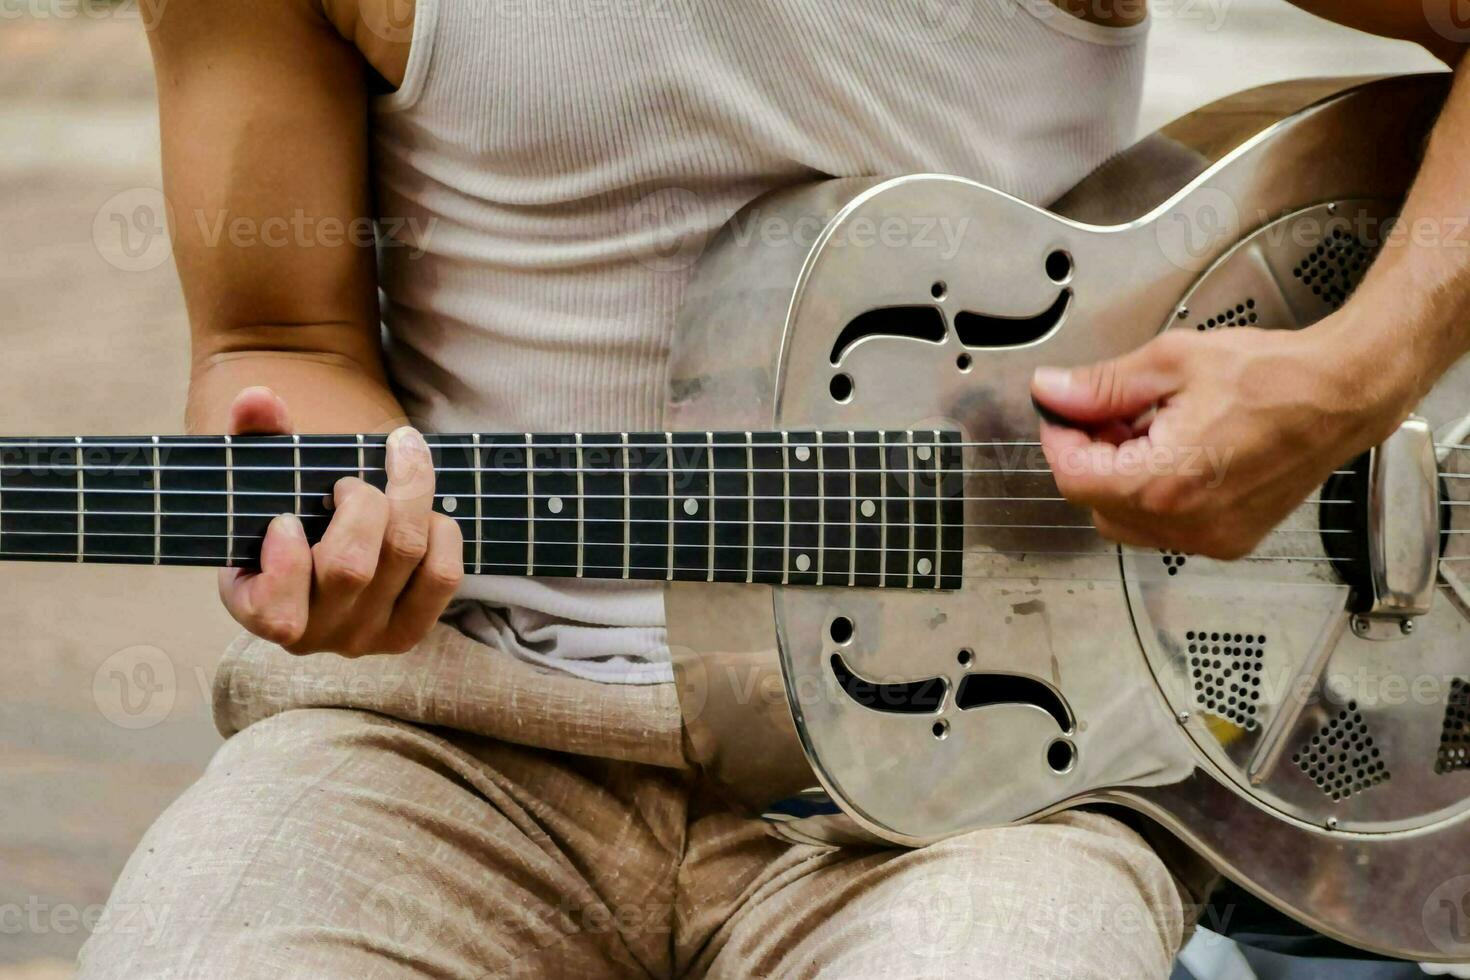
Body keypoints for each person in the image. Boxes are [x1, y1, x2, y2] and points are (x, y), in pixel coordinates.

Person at [77, 0, 1469, 976]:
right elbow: (282, 340)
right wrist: (335, 531)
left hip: (986, 794)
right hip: (447, 745)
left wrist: (1358, 369)